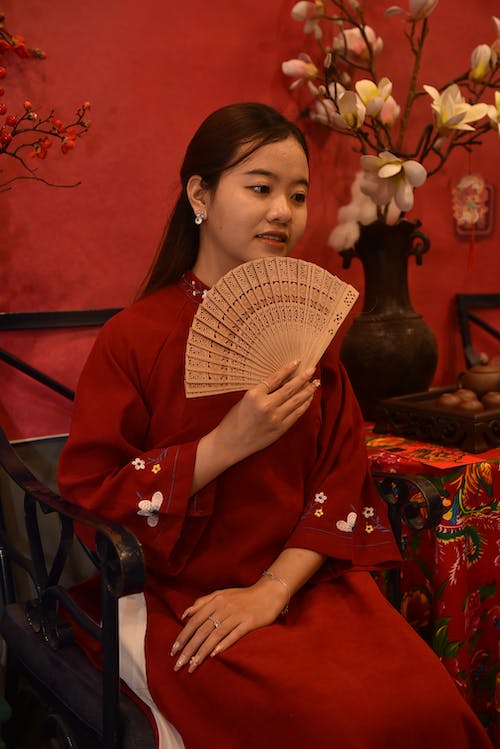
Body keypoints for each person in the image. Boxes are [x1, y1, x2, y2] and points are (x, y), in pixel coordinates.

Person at [58, 102, 493, 749]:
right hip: (190, 598)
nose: (284, 212)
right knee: (336, 726)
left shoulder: (308, 335)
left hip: (307, 582)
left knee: (429, 708)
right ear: (200, 194)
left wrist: (272, 589)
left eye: (297, 194)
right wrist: (222, 445)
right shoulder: (134, 338)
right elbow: (91, 494)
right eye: (260, 188)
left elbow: (340, 474)